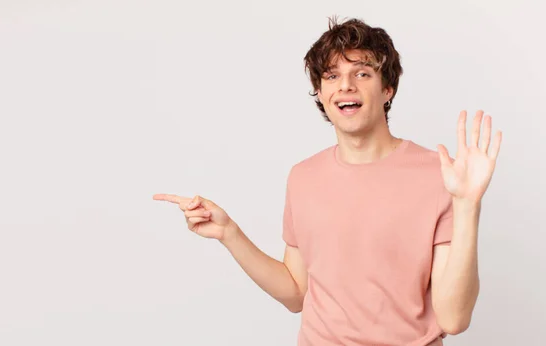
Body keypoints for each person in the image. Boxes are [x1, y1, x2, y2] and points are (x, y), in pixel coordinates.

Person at [154, 16, 502, 346]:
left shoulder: (439, 175)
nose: (345, 85)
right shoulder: (303, 177)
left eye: (362, 73)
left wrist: (468, 205)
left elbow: (454, 319)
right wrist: (229, 233)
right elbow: (295, 293)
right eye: (331, 76)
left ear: (388, 89)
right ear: (320, 92)